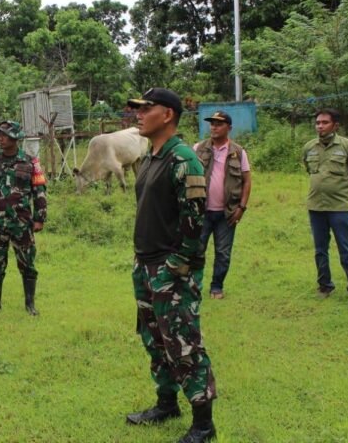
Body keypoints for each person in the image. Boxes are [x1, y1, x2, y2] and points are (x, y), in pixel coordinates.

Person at [126, 88, 217, 443]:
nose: (138, 114)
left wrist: (175, 267)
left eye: (145, 109)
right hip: (146, 266)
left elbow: (195, 224)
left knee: (183, 343)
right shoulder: (151, 158)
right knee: (154, 339)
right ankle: (166, 404)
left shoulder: (183, 160)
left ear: (167, 115)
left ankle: (204, 425)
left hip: (171, 270)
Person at [0, 121, 47, 316]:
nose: (0, 138)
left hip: (22, 223)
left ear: (16, 138)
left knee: (28, 264)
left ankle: (30, 306)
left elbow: (39, 191)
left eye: (4, 135)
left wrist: (40, 218)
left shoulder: (30, 162)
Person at [302, 108, 348, 304]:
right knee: (320, 249)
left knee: (347, 250)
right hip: (316, 207)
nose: (320, 126)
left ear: (335, 125)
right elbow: (308, 169)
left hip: (339, 207)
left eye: (324, 122)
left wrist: (340, 188)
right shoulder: (309, 147)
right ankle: (325, 285)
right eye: (317, 123)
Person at [193, 111, 252, 299]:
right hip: (201, 211)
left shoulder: (239, 152)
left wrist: (241, 208)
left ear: (229, 127)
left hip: (227, 213)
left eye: (219, 123)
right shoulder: (198, 149)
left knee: (223, 253)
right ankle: (194, 287)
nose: (214, 127)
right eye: (212, 123)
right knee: (196, 250)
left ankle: (216, 287)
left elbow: (247, 181)